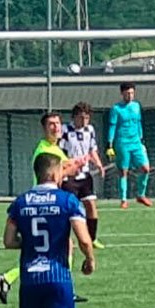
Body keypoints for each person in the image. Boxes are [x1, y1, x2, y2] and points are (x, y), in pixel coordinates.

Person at [4, 151, 96, 308]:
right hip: (58, 277)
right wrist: (89, 259)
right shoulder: (67, 201)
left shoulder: (21, 202)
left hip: (30, 276)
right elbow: (84, 240)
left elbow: (8, 241)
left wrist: (30, 243)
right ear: (55, 173)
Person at [0, 113, 89, 306]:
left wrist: (75, 164)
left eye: (57, 123)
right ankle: (11, 278)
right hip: (44, 203)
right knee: (48, 250)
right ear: (44, 128)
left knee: (56, 248)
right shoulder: (44, 150)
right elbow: (54, 172)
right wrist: (73, 167)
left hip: (47, 201)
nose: (55, 127)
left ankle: (9, 278)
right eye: (51, 125)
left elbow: (64, 167)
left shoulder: (55, 148)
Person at [61, 102, 107, 249]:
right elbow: (60, 153)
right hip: (69, 177)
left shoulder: (90, 130)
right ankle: (65, 240)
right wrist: (70, 164)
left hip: (85, 176)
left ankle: (92, 238)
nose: (84, 121)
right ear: (74, 117)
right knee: (68, 209)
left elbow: (92, 149)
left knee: (91, 206)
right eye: (81, 117)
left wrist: (98, 164)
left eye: (87, 118)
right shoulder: (65, 130)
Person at [106, 82, 153, 209]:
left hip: (136, 142)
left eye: (132, 93)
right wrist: (109, 144)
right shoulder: (116, 109)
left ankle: (141, 195)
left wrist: (141, 139)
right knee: (124, 171)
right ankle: (123, 199)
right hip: (122, 142)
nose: (130, 95)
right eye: (127, 93)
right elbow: (112, 126)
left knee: (145, 168)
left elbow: (138, 123)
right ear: (122, 94)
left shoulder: (137, 106)